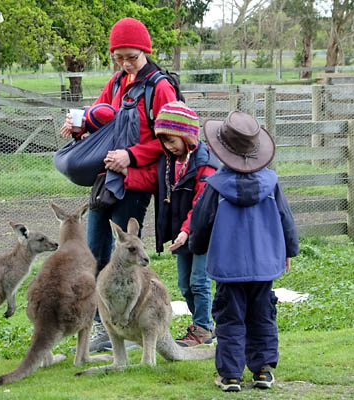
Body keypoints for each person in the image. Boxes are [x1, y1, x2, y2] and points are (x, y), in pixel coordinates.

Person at [61, 17, 178, 352]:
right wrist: (79, 128)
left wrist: (131, 156)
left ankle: (135, 325)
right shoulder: (115, 83)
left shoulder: (160, 87)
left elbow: (172, 138)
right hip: (105, 182)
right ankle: (103, 327)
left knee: (126, 260)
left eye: (132, 56)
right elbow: (101, 123)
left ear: (145, 51)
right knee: (96, 255)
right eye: (119, 57)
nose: (126, 63)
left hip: (135, 183)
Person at [188, 111, 300, 392]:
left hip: (227, 267)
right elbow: (286, 220)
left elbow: (200, 223)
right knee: (262, 315)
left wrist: (198, 248)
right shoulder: (272, 184)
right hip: (264, 265)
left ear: (223, 150)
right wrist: (288, 251)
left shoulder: (215, 187)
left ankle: (230, 375)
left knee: (229, 317)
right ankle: (263, 371)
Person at [149, 101, 220, 347]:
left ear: (187, 136)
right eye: (164, 141)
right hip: (184, 234)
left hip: (203, 232)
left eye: (172, 140)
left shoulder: (204, 164)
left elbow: (202, 204)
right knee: (184, 283)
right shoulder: (171, 162)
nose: (168, 146)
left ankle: (203, 328)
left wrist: (186, 231)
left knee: (198, 281)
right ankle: (206, 324)